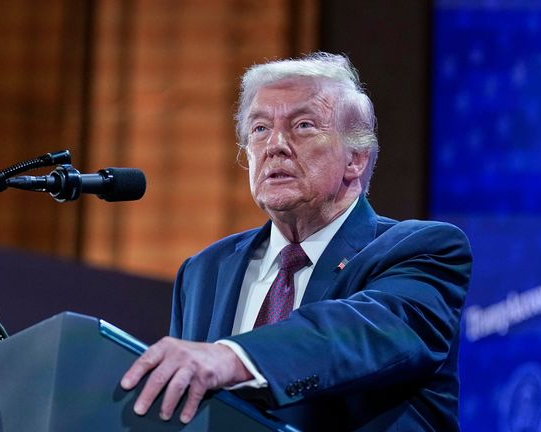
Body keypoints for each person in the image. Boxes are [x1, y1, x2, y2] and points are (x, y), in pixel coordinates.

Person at [121, 52, 472, 431]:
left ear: (355, 158)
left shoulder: (423, 249)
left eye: (303, 126)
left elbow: (355, 335)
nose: (275, 145)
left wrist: (232, 357)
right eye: (259, 129)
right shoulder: (204, 271)